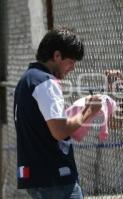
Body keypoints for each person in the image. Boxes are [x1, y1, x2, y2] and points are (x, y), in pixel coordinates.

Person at [13, 28, 102, 199]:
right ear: (57, 56)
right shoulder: (46, 83)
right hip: (55, 179)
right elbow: (59, 131)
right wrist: (88, 111)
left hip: (39, 178)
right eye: (71, 62)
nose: (72, 68)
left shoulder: (27, 79)